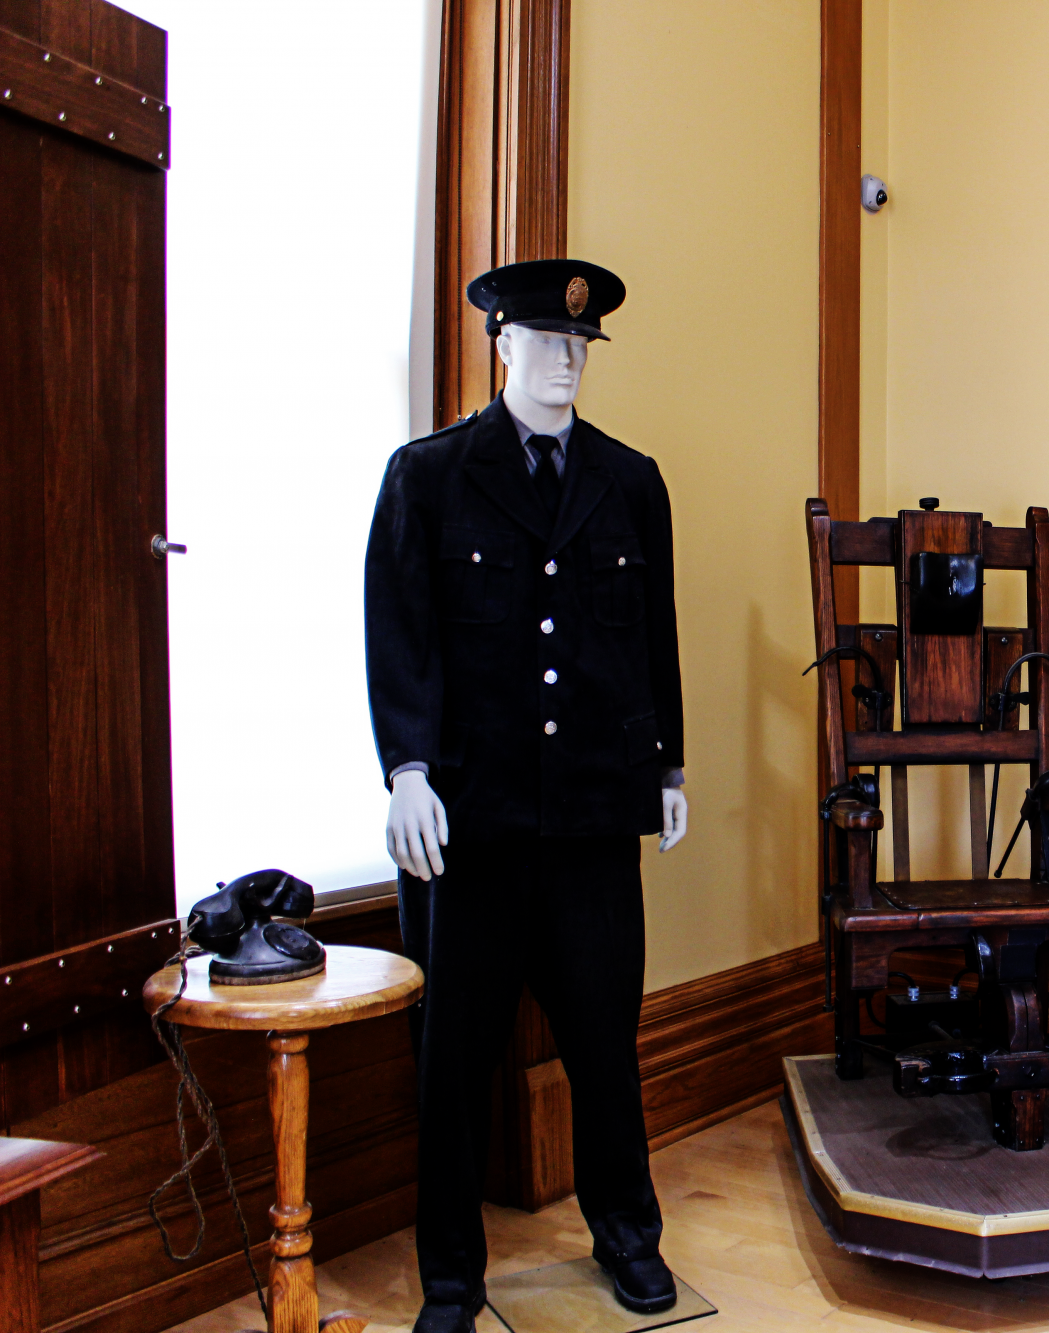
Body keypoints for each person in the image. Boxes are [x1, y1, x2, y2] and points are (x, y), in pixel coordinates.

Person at [364, 259, 687, 1333]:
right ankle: (451, 1279)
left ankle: (628, 1238)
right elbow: (399, 635)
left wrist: (668, 766)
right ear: (499, 346)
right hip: (474, 824)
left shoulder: (628, 480)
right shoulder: (429, 476)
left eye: (580, 347)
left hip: (594, 816)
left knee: (605, 1041)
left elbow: (654, 638)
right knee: (452, 1063)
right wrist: (406, 770)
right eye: (545, 343)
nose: (565, 364)